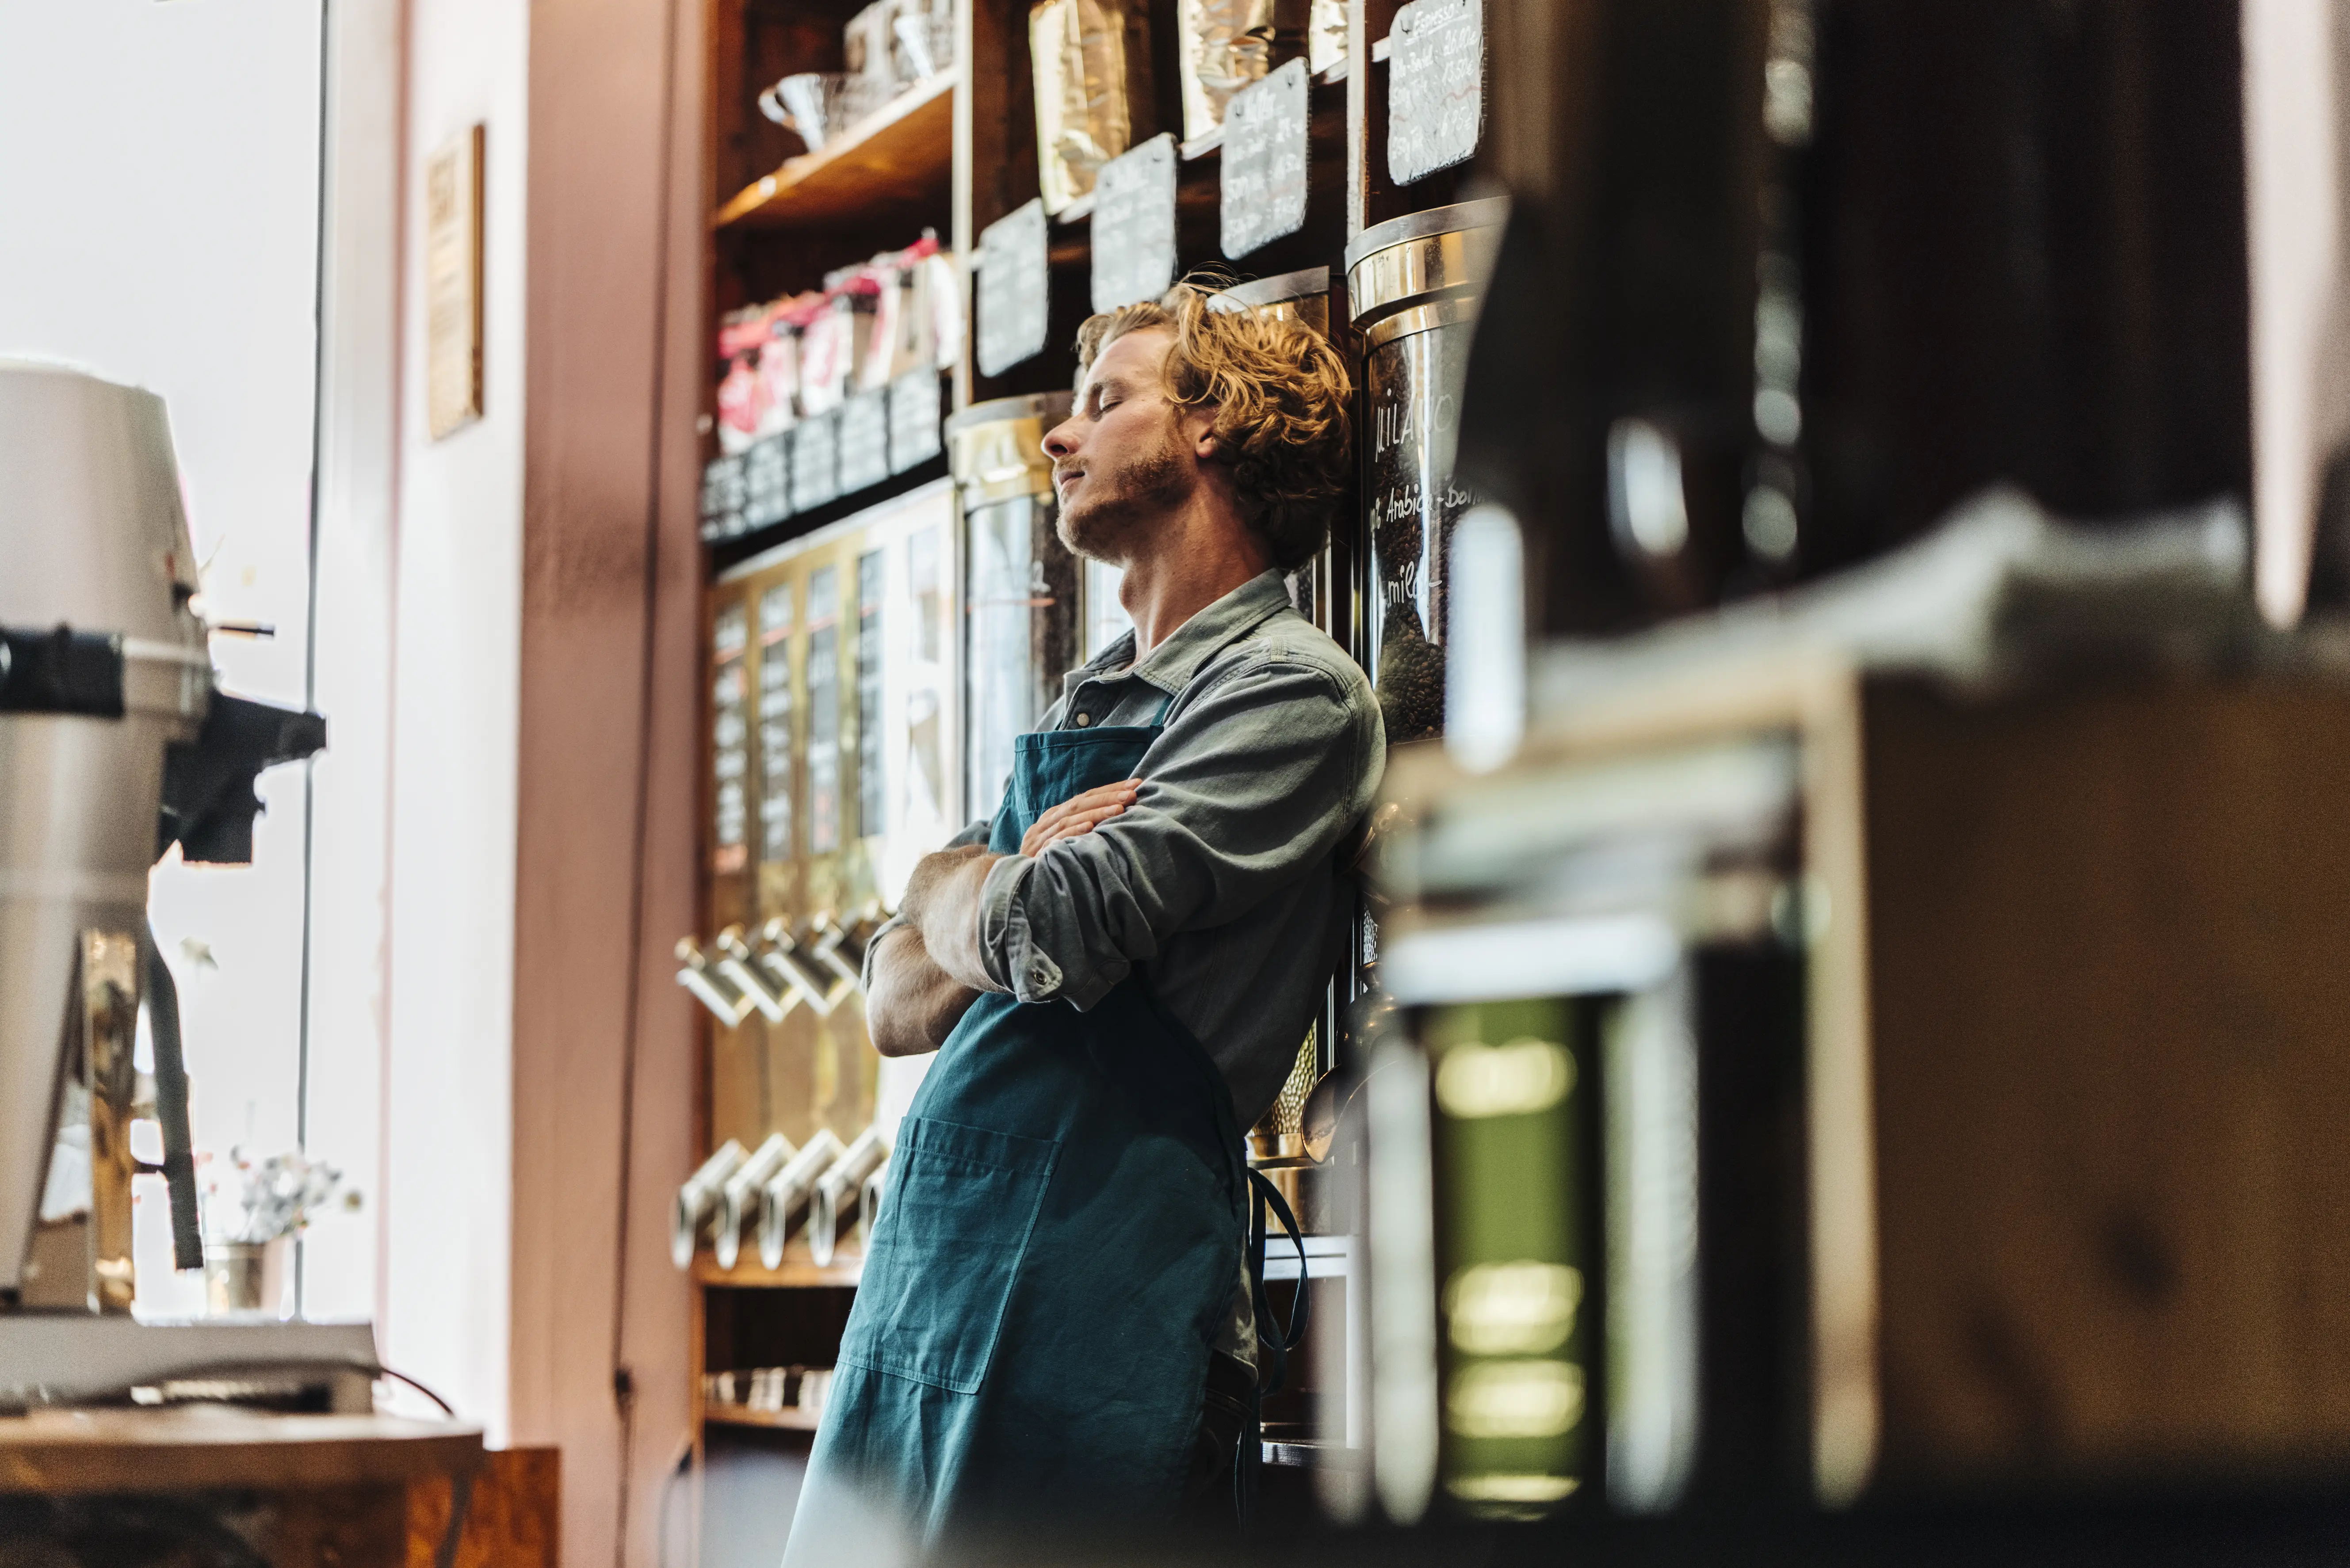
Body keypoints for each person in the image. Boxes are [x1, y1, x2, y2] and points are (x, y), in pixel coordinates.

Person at [779, 281, 1383, 1560]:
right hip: (934, 1279)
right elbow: (891, 1002)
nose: (1059, 438)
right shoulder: (1094, 698)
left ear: (1211, 429)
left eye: (1106, 404)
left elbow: (1056, 924)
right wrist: (977, 901)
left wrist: (953, 886)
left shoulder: (1294, 696)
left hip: (1099, 1305)